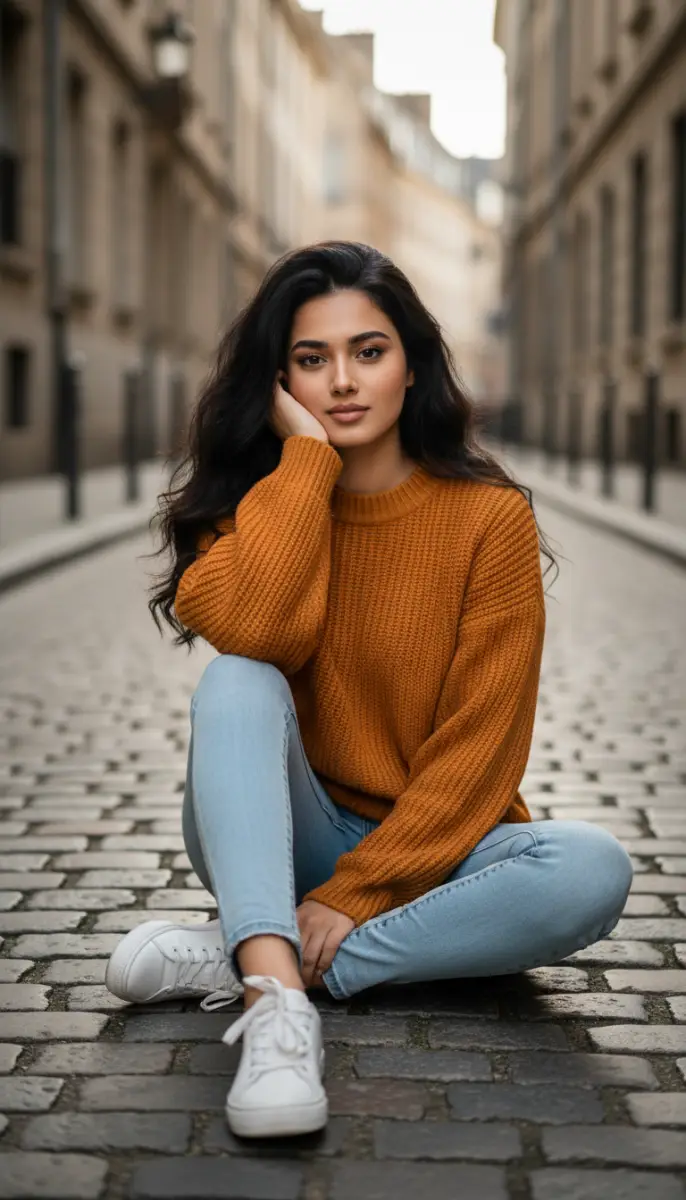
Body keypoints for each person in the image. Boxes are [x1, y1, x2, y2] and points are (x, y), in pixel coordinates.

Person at [104, 241, 633, 1140]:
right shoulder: (244, 515)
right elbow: (266, 632)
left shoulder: (488, 519)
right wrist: (305, 468)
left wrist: (359, 891)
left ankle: (265, 958)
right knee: (237, 678)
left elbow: (481, 750)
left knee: (592, 869)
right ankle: (277, 1015)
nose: (343, 381)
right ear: (278, 383)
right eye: (312, 360)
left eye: (369, 351)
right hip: (281, 836)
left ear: (412, 365)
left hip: (437, 853)